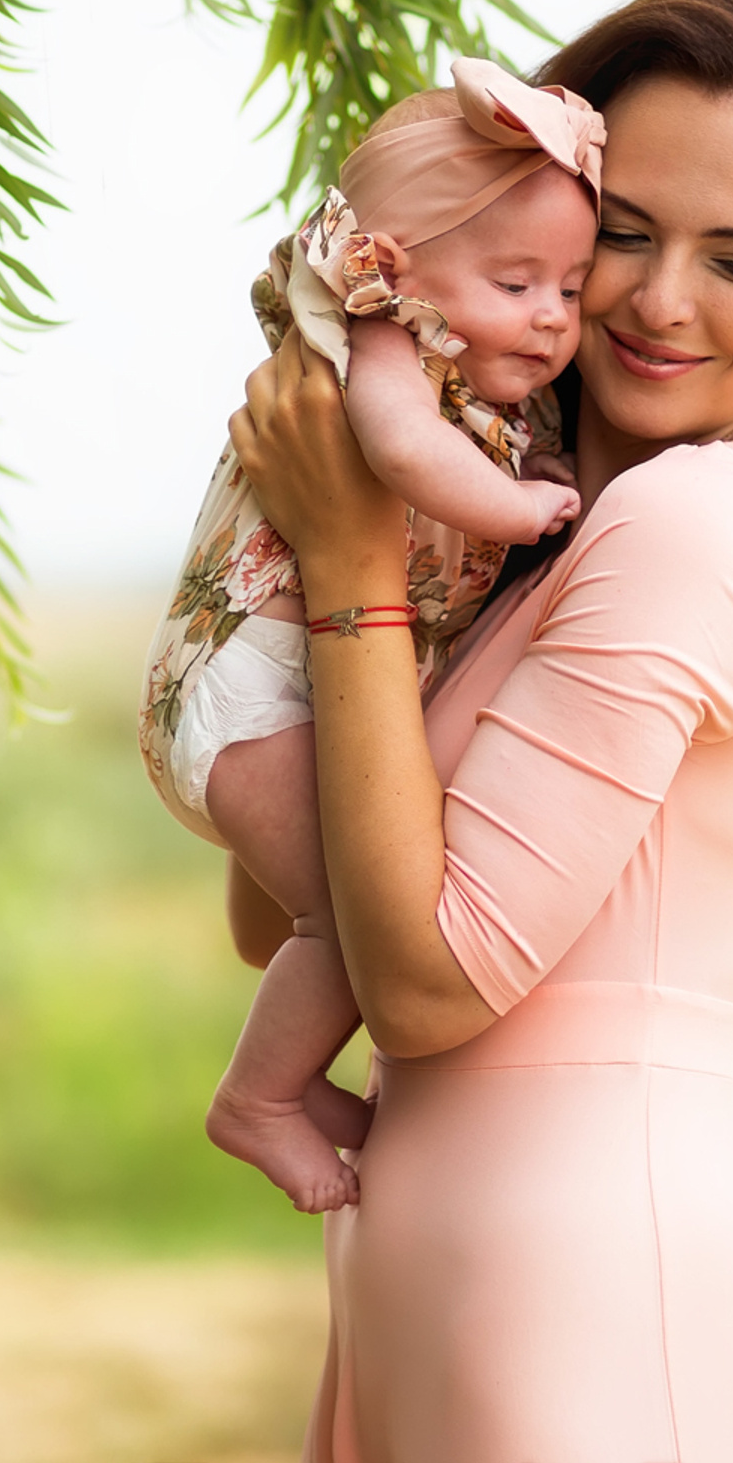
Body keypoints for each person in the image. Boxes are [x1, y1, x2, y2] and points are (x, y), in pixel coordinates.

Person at [229, 0, 733, 1461]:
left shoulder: (700, 527)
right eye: (621, 234)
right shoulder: (548, 536)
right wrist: (369, 535)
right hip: (452, 1298)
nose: (661, 304)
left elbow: (419, 983)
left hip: (602, 1317)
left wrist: (348, 562)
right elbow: (289, 905)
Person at [139, 60, 605, 1212]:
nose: (552, 315)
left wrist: (524, 465)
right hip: (251, 702)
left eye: (573, 287)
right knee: (363, 920)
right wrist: (527, 506)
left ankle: (303, 1088)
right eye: (516, 281)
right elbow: (401, 454)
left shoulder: (472, 387)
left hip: (274, 703)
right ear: (396, 265)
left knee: (352, 914)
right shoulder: (382, 341)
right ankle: (255, 1101)